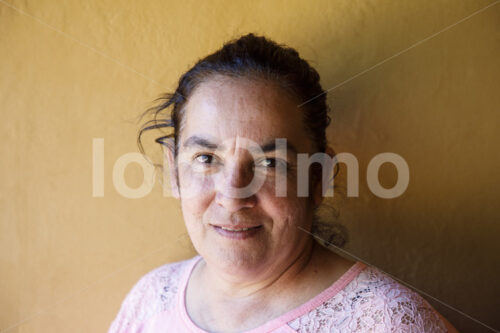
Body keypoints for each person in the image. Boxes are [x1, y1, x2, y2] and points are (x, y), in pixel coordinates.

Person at [109, 33, 457, 332]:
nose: (233, 195)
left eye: (269, 163)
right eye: (206, 159)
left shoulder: (386, 322)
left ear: (318, 178)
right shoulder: (150, 299)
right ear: (174, 172)